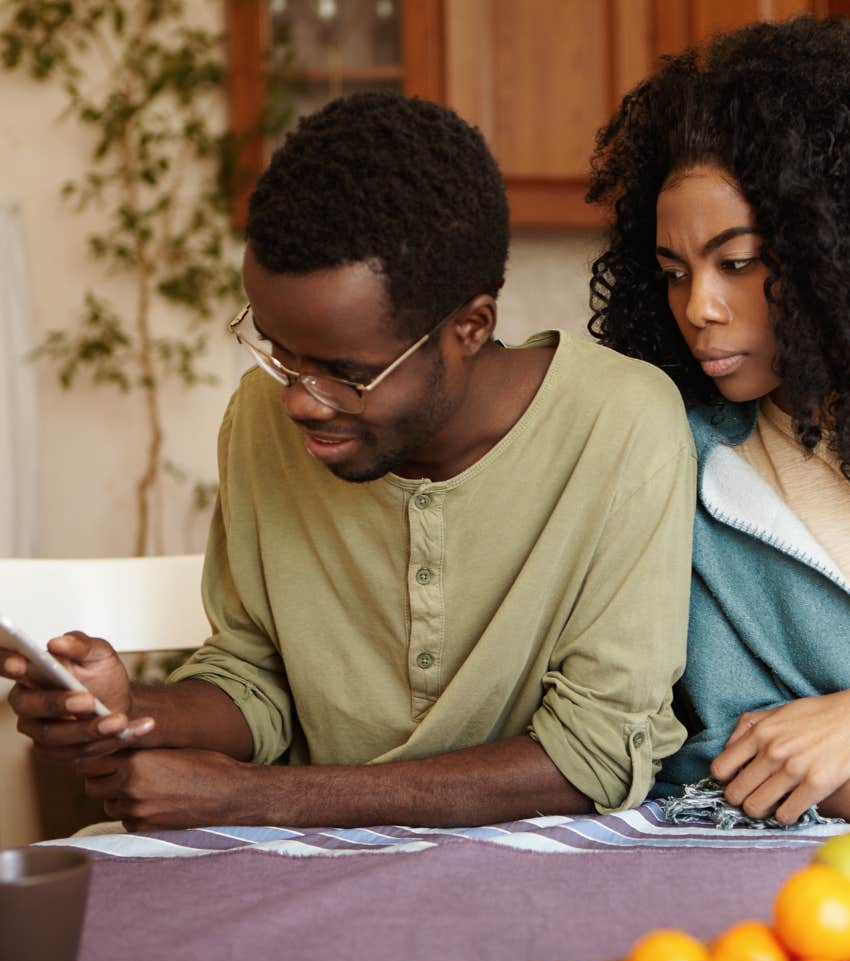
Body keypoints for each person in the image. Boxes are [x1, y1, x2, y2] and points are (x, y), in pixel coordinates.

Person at [2, 93, 695, 832]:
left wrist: (254, 798)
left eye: (344, 371)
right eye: (276, 350)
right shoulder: (259, 422)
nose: (300, 400)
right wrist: (135, 707)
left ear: (470, 327)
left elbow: (595, 755)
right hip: (304, 872)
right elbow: (257, 678)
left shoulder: (622, 424)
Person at [586, 15, 850, 826]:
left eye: (736, 263)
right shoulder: (681, 467)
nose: (698, 308)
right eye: (673, 273)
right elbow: (727, 757)